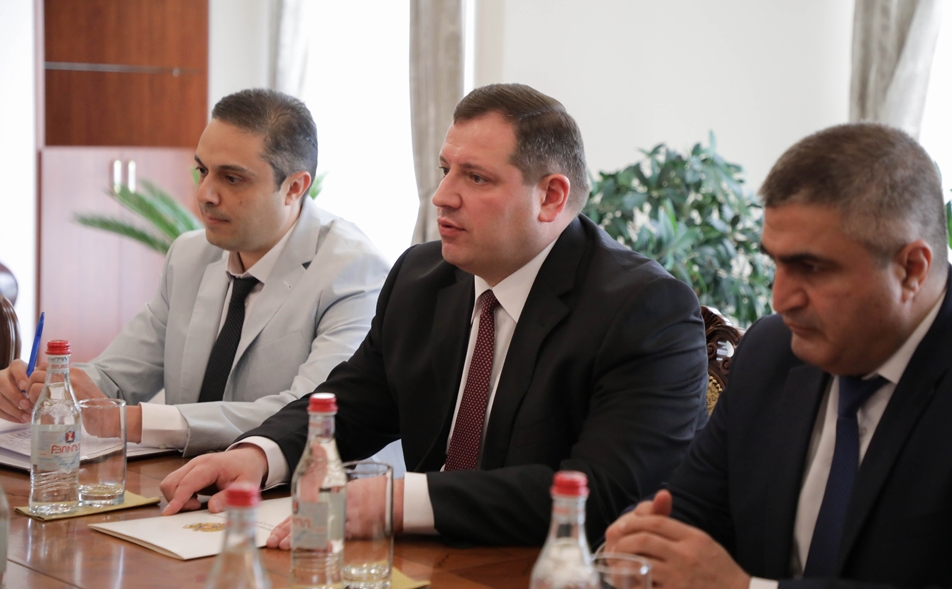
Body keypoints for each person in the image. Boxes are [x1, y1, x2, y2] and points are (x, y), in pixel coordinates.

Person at [158, 83, 709, 547]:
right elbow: (354, 402)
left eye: (476, 178)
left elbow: (602, 493)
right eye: (445, 170)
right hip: (426, 562)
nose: (442, 196)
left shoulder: (644, 311)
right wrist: (261, 454)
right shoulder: (423, 277)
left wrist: (400, 501)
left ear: (550, 198)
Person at [605, 122, 952, 589]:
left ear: (911, 269)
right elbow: (692, 510)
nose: (780, 299)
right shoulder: (771, 352)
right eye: (776, 262)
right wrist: (645, 543)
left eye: (811, 268)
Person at [0, 89, 390, 456]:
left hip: (286, 491)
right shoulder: (189, 255)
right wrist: (49, 388)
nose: (205, 194)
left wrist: (130, 420)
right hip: (176, 481)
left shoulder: (352, 271)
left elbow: (310, 414)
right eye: (203, 170)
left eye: (232, 178)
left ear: (294, 187)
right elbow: (116, 377)